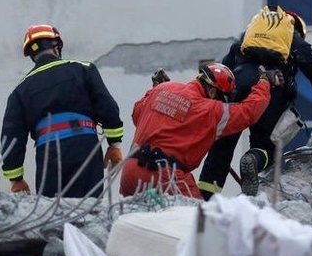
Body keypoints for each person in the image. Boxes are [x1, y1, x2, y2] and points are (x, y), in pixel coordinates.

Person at [197, 5, 312, 199]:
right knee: (267, 145)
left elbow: (223, 69)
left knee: (224, 143)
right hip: (272, 87)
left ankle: (205, 198)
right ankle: (254, 159)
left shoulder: (247, 39)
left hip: (239, 82)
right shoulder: (293, 37)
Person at [119, 62, 282, 198]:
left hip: (130, 172)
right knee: (198, 226)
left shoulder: (162, 89)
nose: (222, 103)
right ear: (212, 91)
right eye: (222, 98)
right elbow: (248, 112)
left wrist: (155, 89)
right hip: (165, 175)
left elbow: (137, 115)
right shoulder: (209, 109)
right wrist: (264, 83)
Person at [0, 24, 124, 197]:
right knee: (87, 209)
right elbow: (107, 107)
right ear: (57, 46)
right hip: (85, 146)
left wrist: (16, 179)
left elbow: (11, 137)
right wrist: (114, 144)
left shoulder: (20, 91)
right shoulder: (83, 69)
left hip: (49, 154)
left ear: (31, 55)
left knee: (54, 214)